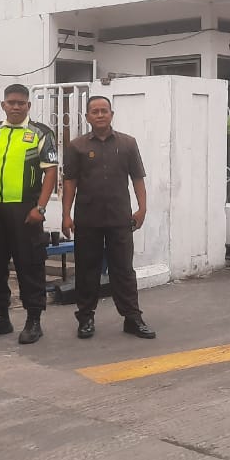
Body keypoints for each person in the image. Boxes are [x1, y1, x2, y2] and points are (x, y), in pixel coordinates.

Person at [61, 96, 156, 341]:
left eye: (104, 110)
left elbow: (137, 177)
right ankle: (85, 318)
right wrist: (66, 214)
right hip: (87, 218)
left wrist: (142, 208)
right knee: (86, 270)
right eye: (95, 111)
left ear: (112, 114)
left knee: (123, 269)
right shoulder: (76, 146)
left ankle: (132, 318)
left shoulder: (127, 143)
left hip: (119, 218)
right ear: (87, 117)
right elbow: (70, 182)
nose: (100, 115)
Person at [0, 85, 58, 345]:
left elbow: (51, 171)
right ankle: (1, 318)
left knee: (29, 265)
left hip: (25, 210)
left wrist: (40, 208)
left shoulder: (40, 133)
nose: (15, 107)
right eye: (11, 102)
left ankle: (34, 320)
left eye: (21, 103)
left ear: (28, 106)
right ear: (3, 105)